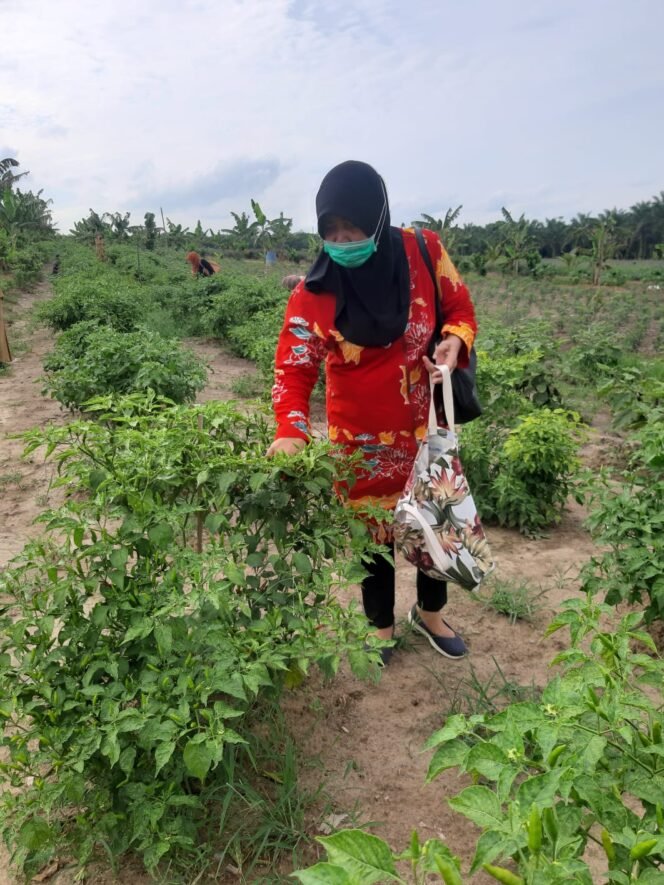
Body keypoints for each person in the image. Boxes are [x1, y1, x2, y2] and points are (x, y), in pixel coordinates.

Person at [267, 161, 477, 664]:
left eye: (353, 229)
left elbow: (462, 310)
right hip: (359, 441)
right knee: (374, 538)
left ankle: (429, 616)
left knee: (434, 524)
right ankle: (379, 628)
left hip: (427, 429)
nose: (342, 241)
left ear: (378, 221)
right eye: (331, 233)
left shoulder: (423, 252)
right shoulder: (314, 294)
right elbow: (293, 371)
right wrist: (291, 428)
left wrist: (453, 339)